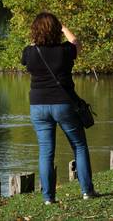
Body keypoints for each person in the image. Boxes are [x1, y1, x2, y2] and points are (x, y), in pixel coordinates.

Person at [21, 12, 96, 204]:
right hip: (63, 104)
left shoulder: (30, 53)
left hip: (38, 106)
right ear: (56, 31)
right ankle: (87, 191)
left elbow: (26, 54)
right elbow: (77, 44)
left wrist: (36, 38)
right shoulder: (64, 51)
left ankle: (48, 197)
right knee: (79, 146)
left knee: (46, 151)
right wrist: (64, 28)